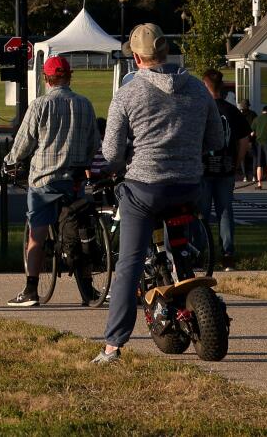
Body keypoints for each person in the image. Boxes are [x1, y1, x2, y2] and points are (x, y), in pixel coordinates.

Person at [91, 23, 224, 367]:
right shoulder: (197, 88)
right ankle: (185, 279)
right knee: (181, 246)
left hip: (145, 189)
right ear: (167, 52)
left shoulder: (128, 93)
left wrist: (116, 163)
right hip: (189, 187)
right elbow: (215, 142)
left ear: (136, 57)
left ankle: (112, 345)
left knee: (129, 264)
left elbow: (112, 154)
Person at [3, 55, 99, 307]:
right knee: (77, 231)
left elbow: (23, 144)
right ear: (69, 77)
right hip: (74, 179)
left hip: (45, 178)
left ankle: (31, 289)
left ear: (46, 78)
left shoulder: (39, 105)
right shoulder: (85, 104)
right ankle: (87, 289)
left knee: (37, 235)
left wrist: (10, 161)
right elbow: (93, 144)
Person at [198, 70, 248, 269]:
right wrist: (236, 163)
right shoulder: (232, 111)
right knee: (225, 213)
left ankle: (200, 253)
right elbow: (244, 141)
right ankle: (227, 254)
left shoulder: (200, 110)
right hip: (226, 168)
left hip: (202, 169)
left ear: (205, 85)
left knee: (200, 214)